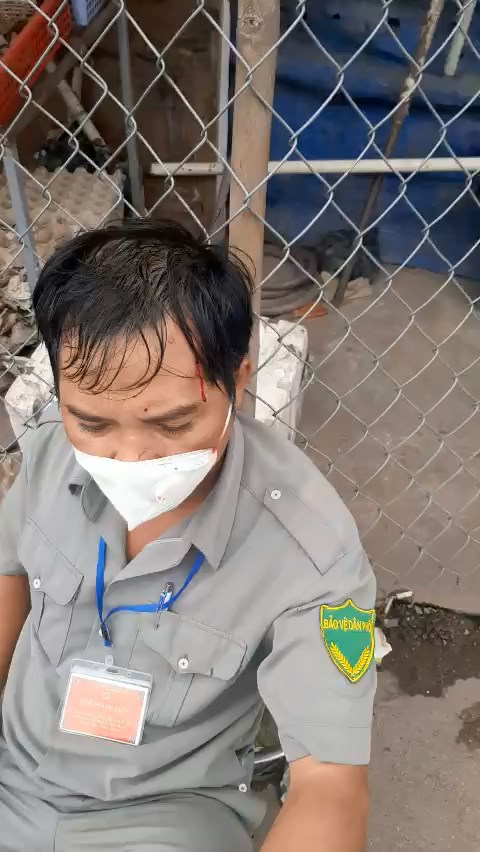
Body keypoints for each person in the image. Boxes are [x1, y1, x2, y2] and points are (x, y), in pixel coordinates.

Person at [0, 220, 376, 852]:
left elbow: (332, 786)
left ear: (239, 379)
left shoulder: (312, 552)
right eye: (92, 423)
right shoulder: (49, 454)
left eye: (173, 425)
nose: (130, 457)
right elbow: (9, 575)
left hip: (162, 818)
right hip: (14, 770)